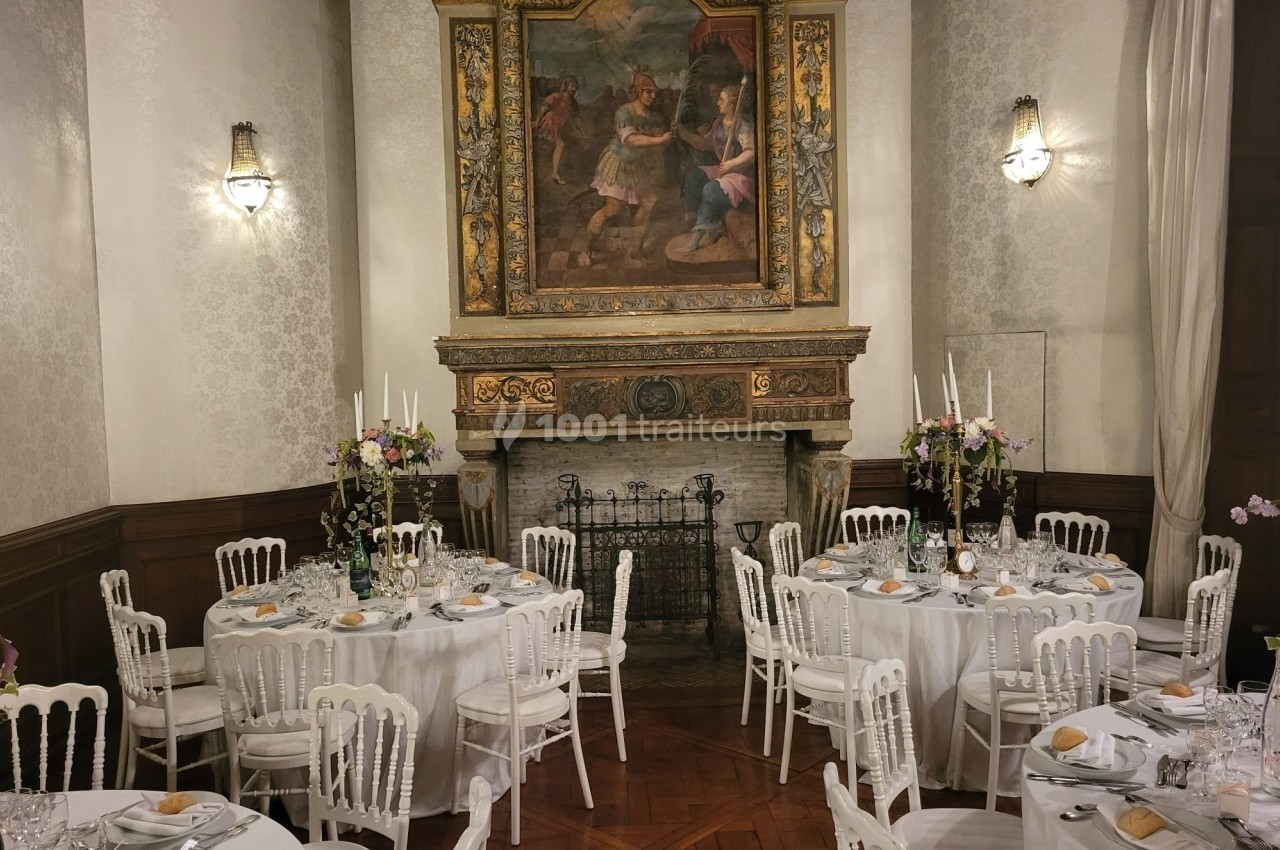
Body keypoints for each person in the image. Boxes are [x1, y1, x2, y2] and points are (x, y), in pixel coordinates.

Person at [578, 72, 674, 267]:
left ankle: (634, 251)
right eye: (648, 92)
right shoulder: (624, 112)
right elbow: (630, 140)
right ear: (638, 92)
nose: (653, 96)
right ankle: (585, 249)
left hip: (637, 166)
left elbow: (653, 142)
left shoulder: (650, 115)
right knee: (612, 210)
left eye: (655, 93)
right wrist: (659, 139)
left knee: (649, 203)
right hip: (619, 162)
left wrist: (666, 137)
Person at [675, 84, 755, 252]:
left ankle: (696, 240)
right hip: (724, 169)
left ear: (733, 104)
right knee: (695, 176)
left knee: (711, 189)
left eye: (721, 100)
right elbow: (705, 144)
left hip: (740, 174)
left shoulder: (742, 124)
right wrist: (683, 133)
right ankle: (703, 226)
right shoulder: (719, 123)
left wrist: (732, 163)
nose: (718, 103)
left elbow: (751, 152)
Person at [534, 75, 580, 185]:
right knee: (559, 144)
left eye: (575, 87)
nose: (573, 89)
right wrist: (537, 121)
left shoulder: (573, 104)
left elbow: (575, 119)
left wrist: (579, 130)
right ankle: (552, 173)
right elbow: (543, 109)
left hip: (557, 127)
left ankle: (555, 173)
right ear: (565, 86)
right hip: (547, 124)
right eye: (571, 86)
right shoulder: (555, 96)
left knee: (561, 144)